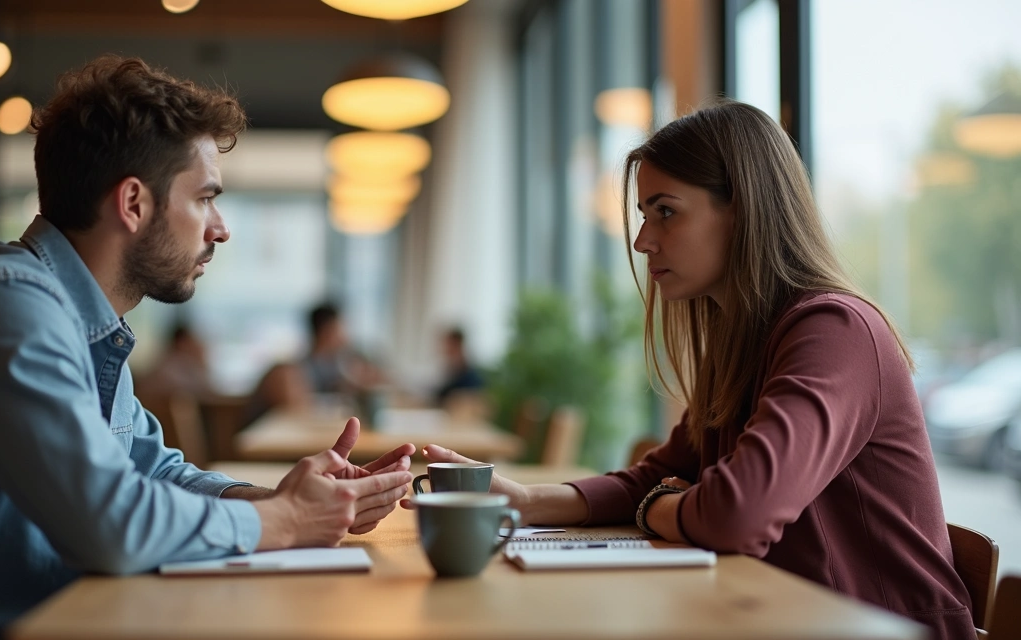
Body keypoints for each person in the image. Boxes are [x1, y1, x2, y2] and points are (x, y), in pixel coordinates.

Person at [0, 56, 414, 638]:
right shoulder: (3, 306)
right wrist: (284, 522)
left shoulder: (81, 321)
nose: (221, 228)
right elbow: (109, 523)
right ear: (132, 203)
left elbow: (152, 469)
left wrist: (283, 500)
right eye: (205, 198)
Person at [414, 100, 976, 639]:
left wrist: (658, 508)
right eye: (643, 215)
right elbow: (656, 473)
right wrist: (524, 501)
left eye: (666, 212)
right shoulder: (743, 345)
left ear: (744, 210)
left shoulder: (834, 331)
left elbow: (737, 515)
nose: (641, 240)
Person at [134, 321, 216, 400]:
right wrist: (201, 363)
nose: (198, 345)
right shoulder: (173, 366)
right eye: (193, 341)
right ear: (181, 343)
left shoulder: (178, 363)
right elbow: (202, 389)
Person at [434, 327, 485, 405]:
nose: (445, 348)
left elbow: (473, 397)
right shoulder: (451, 369)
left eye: (448, 344)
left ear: (456, 344)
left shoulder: (467, 372)